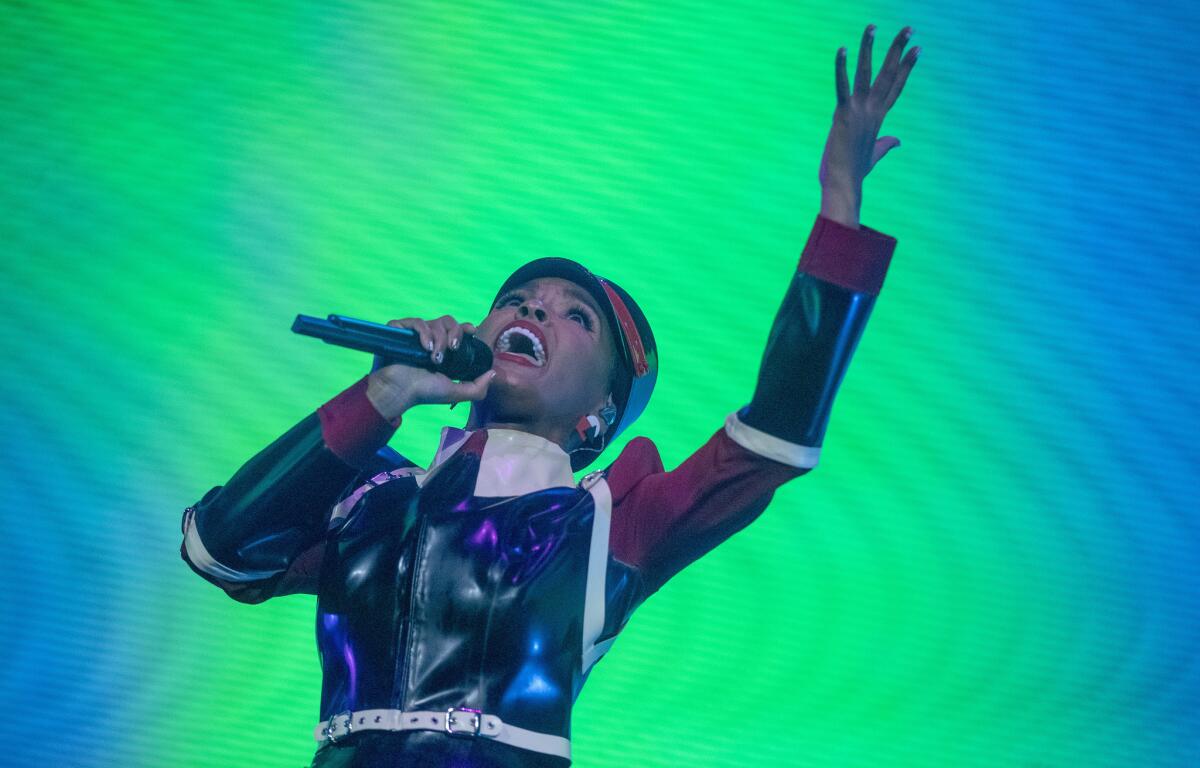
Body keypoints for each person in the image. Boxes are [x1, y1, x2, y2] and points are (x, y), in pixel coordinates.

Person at [181, 25, 919, 767]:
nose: (533, 311)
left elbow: (771, 440)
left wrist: (839, 208)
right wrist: (384, 392)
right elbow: (220, 548)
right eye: (519, 298)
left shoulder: (606, 523)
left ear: (601, 411)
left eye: (576, 315)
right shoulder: (370, 494)